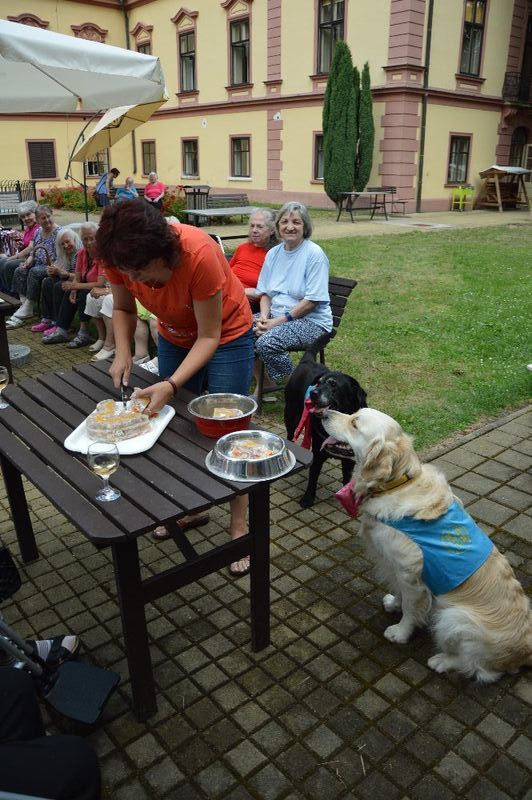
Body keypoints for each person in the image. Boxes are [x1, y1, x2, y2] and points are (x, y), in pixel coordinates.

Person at [96, 199, 254, 575]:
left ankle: (239, 526)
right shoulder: (119, 254)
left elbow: (210, 335)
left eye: (149, 275)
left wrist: (170, 382)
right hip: (174, 336)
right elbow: (123, 309)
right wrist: (122, 354)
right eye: (133, 274)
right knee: (174, 423)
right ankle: (194, 508)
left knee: (227, 430)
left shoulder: (199, 253)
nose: (144, 284)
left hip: (226, 336)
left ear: (165, 251)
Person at [253, 201, 333, 392]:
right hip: (277, 317)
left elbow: (312, 302)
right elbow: (265, 293)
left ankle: (296, 388)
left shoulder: (314, 254)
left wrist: (277, 322)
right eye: (285, 222)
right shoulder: (273, 254)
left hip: (312, 322)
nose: (290, 227)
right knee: (237, 329)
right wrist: (264, 317)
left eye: (296, 222)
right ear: (278, 226)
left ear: (305, 227)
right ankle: (265, 382)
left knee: (268, 341)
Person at [43, 222, 106, 347]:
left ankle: (84, 333)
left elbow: (100, 283)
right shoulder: (82, 253)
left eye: (91, 239)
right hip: (86, 285)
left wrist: (75, 287)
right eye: (84, 239)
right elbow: (77, 278)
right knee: (70, 291)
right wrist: (72, 290)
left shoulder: (103, 255)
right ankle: (61, 330)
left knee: (83, 294)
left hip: (103, 288)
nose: (88, 242)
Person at [6, 205, 61, 328]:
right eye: (42, 218)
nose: (46, 220)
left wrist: (54, 266)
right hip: (38, 263)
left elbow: (62, 257)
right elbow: (34, 251)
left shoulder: (59, 232)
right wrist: (29, 260)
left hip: (53, 265)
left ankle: (28, 305)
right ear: (38, 219)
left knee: (34, 272)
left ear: (52, 215)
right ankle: (24, 306)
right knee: (20, 270)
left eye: (48, 217)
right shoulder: (38, 232)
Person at [31, 227, 83, 335]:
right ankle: (47, 319)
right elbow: (60, 268)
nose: (65, 246)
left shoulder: (80, 253)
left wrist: (64, 274)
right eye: (62, 244)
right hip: (70, 279)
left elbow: (82, 277)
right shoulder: (65, 254)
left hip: (80, 283)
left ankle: (59, 323)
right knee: (47, 281)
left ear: (74, 238)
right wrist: (53, 270)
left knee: (59, 286)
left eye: (67, 242)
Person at [229, 208, 277, 311]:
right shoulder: (243, 248)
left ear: (272, 230)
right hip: (227, 293)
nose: (254, 230)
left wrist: (244, 292)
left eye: (259, 226)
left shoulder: (275, 254)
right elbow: (225, 274)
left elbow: (273, 293)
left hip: (245, 303)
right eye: (252, 226)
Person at [0, 200, 39, 293]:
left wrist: (14, 257)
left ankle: (13, 295)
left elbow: (31, 248)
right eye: (23, 217)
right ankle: (5, 292)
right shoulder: (28, 228)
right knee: (1, 262)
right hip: (25, 256)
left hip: (34, 259)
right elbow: (26, 246)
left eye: (28, 215)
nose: (26, 218)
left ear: (35, 213)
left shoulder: (38, 228)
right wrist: (21, 245)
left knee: (8, 265)